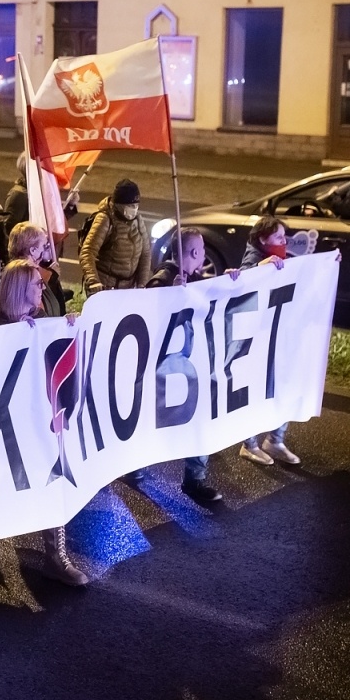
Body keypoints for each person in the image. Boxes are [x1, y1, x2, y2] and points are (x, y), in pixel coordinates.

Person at [0, 260, 90, 585]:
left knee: (51, 476)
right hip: (2, 427)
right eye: (36, 284)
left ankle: (57, 555)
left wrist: (66, 328)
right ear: (18, 290)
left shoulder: (43, 322)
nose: (43, 287)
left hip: (36, 417)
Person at [146, 227, 223, 505]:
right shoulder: (164, 279)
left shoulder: (194, 280)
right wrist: (170, 294)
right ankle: (137, 468)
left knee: (198, 417)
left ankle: (195, 479)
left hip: (187, 367)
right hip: (167, 369)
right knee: (156, 424)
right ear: (193, 253)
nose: (204, 253)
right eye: (201, 249)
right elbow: (149, 307)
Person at [237, 216, 301, 468]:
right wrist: (260, 269)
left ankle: (275, 439)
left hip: (279, 337)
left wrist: (328, 264)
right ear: (263, 239)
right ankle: (249, 444)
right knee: (258, 392)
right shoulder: (254, 260)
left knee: (283, 386)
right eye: (278, 237)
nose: (284, 241)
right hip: (260, 340)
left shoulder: (284, 260)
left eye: (285, 237)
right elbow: (241, 282)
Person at [80, 178, 151, 295]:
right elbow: (88, 252)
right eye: (130, 205)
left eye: (136, 205)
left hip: (128, 288)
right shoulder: (105, 219)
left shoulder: (138, 220)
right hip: (105, 287)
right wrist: (93, 281)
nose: (134, 209)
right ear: (118, 204)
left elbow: (145, 253)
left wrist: (142, 284)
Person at [6, 222, 67, 318]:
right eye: (44, 246)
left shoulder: (14, 275)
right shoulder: (24, 279)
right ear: (33, 250)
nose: (46, 250)